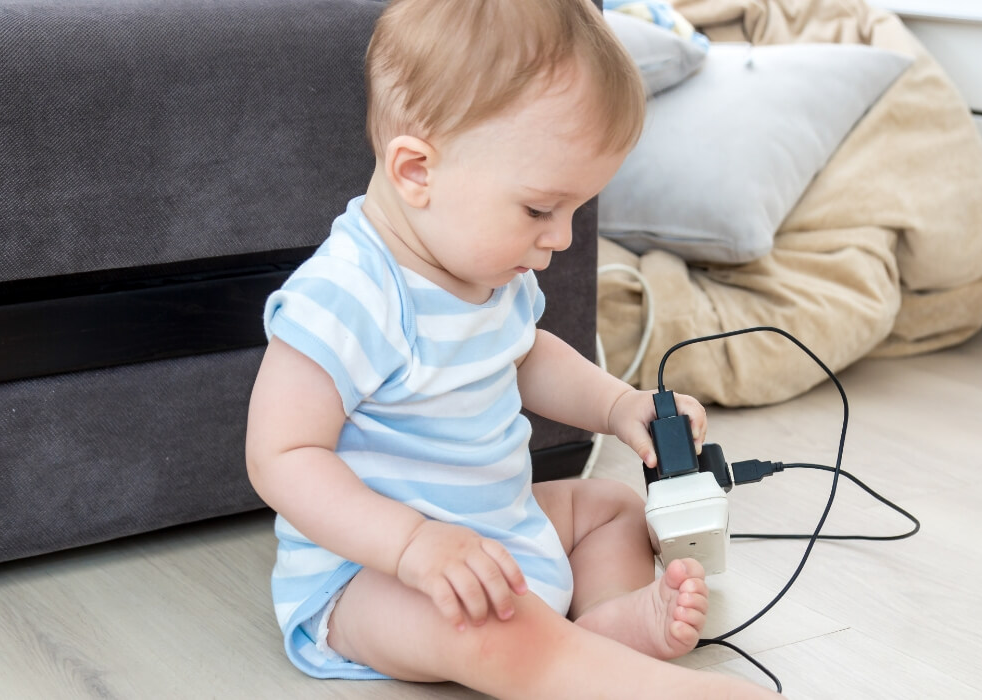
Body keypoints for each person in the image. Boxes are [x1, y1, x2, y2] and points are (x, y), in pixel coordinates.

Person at [245, 1, 782, 697]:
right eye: (539, 209)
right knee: (487, 629)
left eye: (574, 211)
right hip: (372, 577)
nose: (559, 238)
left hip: (502, 522)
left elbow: (526, 356)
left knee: (612, 508)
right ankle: (618, 681)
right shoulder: (347, 294)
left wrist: (618, 404)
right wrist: (412, 546)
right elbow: (281, 457)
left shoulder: (486, 269)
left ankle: (603, 623)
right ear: (416, 172)